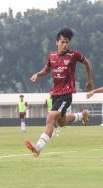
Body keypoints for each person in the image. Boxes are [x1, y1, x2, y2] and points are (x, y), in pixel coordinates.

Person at [25, 28, 93, 157]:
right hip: (55, 94)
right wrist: (37, 75)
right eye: (62, 42)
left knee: (51, 117)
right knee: (62, 122)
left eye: (67, 42)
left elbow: (87, 62)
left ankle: (38, 147)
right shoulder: (52, 56)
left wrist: (89, 80)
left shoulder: (73, 55)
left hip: (66, 94)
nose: (65, 44)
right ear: (57, 42)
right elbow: (47, 70)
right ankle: (82, 114)